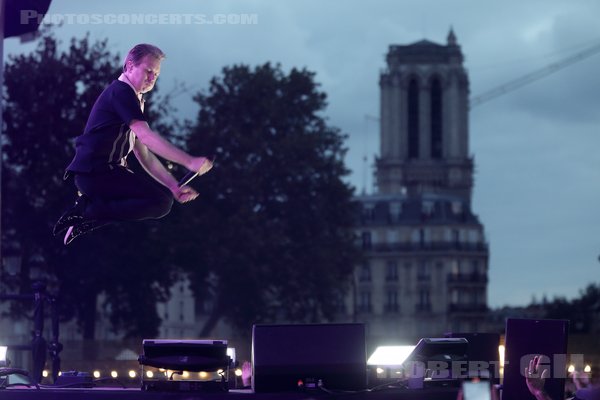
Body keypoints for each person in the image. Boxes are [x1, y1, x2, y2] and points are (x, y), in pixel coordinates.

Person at [53, 43, 211, 245]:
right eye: (148, 71)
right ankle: (87, 211)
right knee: (160, 202)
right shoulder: (121, 92)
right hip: (95, 174)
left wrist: (174, 186)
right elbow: (146, 137)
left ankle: (88, 212)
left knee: (162, 200)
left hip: (107, 173)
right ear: (129, 66)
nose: (152, 78)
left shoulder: (135, 99)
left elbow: (143, 154)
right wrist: (190, 162)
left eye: (156, 74)